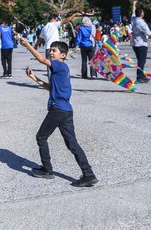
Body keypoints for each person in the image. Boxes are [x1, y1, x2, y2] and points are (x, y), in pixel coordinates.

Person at [19, 37, 98, 187]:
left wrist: (28, 45)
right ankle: (88, 174)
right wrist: (34, 78)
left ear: (63, 55)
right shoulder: (61, 70)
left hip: (58, 110)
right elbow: (51, 87)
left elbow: (42, 59)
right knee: (72, 144)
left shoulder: (60, 66)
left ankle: (47, 170)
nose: (51, 52)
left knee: (41, 137)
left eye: (54, 51)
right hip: (66, 111)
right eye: (50, 50)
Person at [40, 12, 80, 77]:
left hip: (47, 49)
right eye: (57, 19)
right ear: (54, 19)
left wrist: (35, 46)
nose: (57, 20)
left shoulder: (44, 28)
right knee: (58, 65)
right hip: (56, 48)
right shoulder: (54, 24)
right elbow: (66, 20)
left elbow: (40, 38)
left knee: (49, 66)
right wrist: (74, 15)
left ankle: (51, 83)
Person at [131, 1, 151, 83]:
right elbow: (150, 34)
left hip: (134, 43)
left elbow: (133, 12)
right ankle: (139, 77)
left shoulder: (133, 19)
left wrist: (134, 4)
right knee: (142, 61)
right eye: (143, 11)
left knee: (140, 60)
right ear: (141, 13)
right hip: (141, 44)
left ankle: (142, 76)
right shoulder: (142, 23)